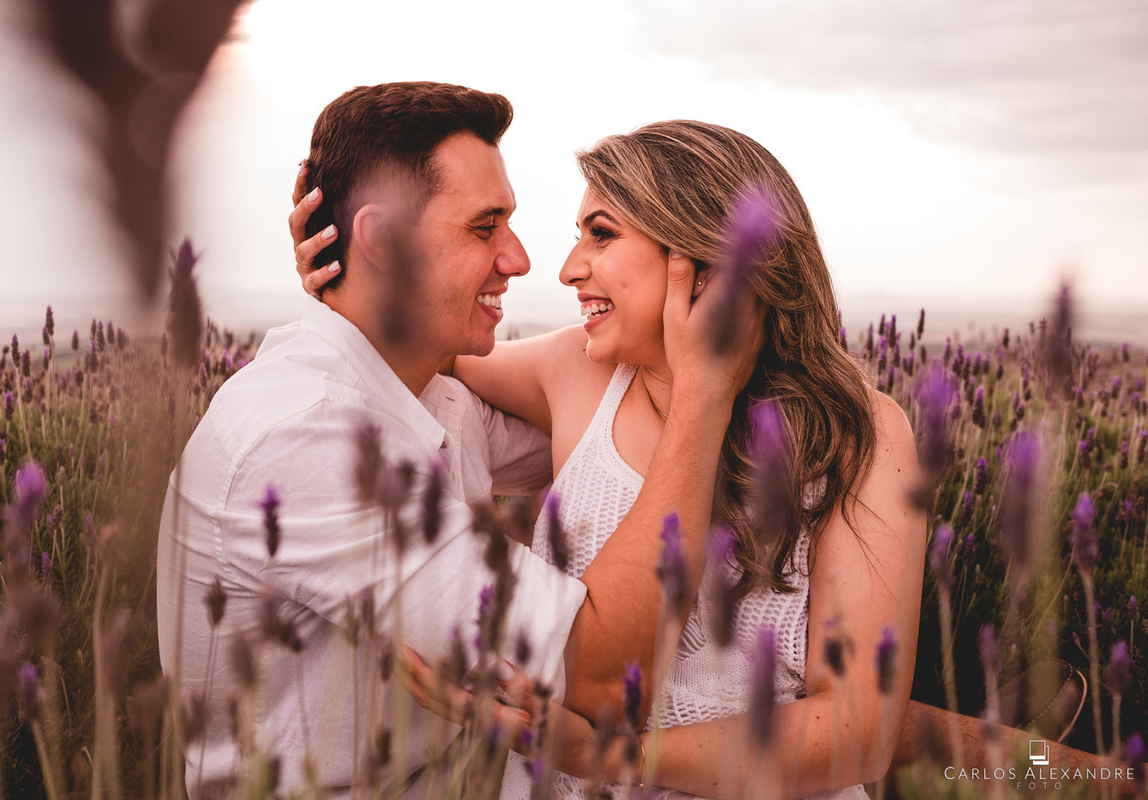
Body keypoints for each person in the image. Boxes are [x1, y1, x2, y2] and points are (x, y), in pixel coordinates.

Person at [294, 120, 927, 798]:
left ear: (707, 253)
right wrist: (355, 276)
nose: (568, 267)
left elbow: (860, 732)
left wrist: (610, 756)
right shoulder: (577, 370)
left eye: (601, 233)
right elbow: (430, 339)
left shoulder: (858, 436)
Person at [157, 84, 757, 798]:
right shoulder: (312, 435)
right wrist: (702, 396)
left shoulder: (422, 392)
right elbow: (595, 677)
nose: (522, 258)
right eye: (485, 227)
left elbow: (604, 433)